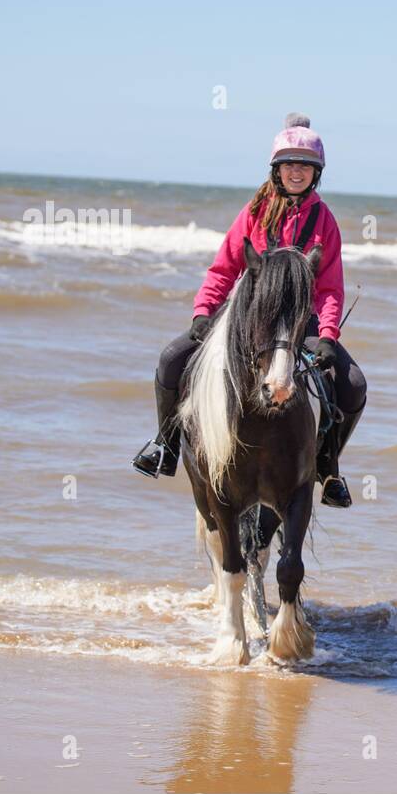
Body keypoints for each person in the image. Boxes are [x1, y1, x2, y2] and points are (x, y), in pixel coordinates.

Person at [131, 114, 366, 508]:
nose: (297, 172)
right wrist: (203, 313)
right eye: (289, 165)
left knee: (354, 384)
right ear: (276, 170)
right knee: (172, 359)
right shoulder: (255, 211)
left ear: (316, 173)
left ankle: (329, 467)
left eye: (305, 166)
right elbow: (223, 269)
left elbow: (329, 288)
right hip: (247, 318)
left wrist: (327, 335)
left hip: (297, 323)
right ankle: (165, 444)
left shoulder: (325, 221)